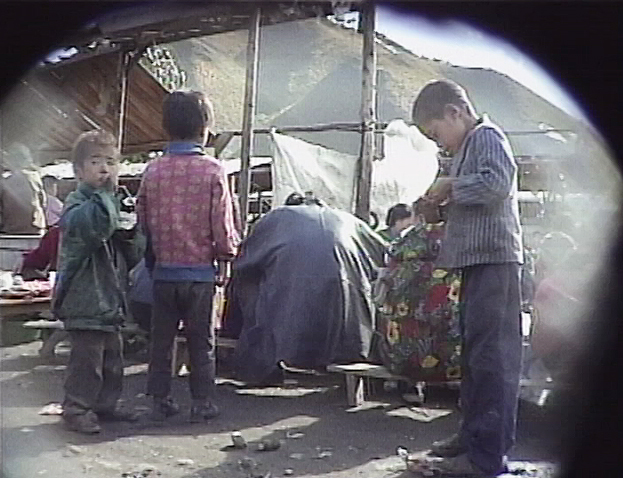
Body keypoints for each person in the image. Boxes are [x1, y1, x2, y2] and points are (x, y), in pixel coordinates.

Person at [410, 80, 524, 477]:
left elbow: (496, 185)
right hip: (476, 265)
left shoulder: (487, 137)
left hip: (497, 263)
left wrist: (450, 187)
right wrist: (433, 208)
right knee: (476, 360)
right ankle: (471, 436)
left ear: (454, 113)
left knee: (493, 360)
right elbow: (467, 204)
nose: (439, 144)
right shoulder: (461, 152)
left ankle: (488, 457)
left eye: (437, 133)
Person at [137, 90, 239, 423]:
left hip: (164, 273)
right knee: (201, 342)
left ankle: (160, 399)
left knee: (161, 342)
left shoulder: (153, 171)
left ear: (166, 127)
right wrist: (226, 256)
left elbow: (142, 218)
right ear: (205, 129)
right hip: (200, 276)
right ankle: (202, 402)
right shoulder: (213, 171)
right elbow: (222, 222)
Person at [225, 193, 386, 384]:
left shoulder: (276, 217)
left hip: (290, 303)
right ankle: (352, 352)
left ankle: (256, 356)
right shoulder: (347, 219)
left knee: (245, 281)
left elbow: (244, 262)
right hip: (346, 308)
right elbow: (385, 253)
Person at [53, 130, 143, 434]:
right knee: (86, 362)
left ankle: (106, 404)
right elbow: (95, 228)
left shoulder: (113, 202)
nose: (105, 168)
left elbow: (134, 251)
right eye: (95, 162)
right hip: (85, 296)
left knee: (112, 359)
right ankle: (76, 408)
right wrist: (108, 198)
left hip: (109, 296)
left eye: (110, 161)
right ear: (78, 171)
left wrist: (131, 232)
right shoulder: (76, 204)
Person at [374, 199, 461, 385]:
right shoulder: (457, 244)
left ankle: (408, 384)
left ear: (418, 216)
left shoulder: (405, 244)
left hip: (403, 361)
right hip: (450, 365)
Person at [0, 143, 46, 234]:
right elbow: (43, 203)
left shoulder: (4, 182)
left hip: (10, 232)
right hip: (37, 229)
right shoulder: (35, 178)